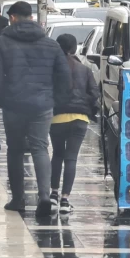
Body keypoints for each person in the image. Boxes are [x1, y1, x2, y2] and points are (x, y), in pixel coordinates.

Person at [0, 1, 72, 219]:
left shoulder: (1, 43)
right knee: (40, 148)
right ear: (32, 17)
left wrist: (1, 100)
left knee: (15, 150)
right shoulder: (50, 44)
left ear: (13, 17)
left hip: (13, 104)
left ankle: (18, 199)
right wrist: (54, 101)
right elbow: (64, 78)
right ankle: (44, 196)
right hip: (42, 104)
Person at [50, 32, 100, 214]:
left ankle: (53, 194)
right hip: (80, 119)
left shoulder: (52, 67)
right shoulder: (84, 69)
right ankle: (65, 200)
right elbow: (95, 93)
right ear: (74, 48)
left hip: (56, 118)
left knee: (57, 155)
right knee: (71, 158)